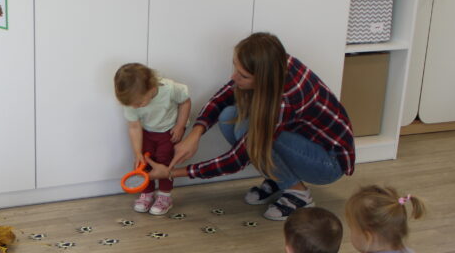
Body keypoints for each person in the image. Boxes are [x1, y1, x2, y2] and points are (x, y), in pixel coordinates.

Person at [148, 32, 355, 222]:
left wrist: (173, 173)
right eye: (235, 68)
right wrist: (195, 133)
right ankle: (281, 179)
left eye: (243, 76)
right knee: (229, 116)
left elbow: (237, 159)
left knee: (247, 131)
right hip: (302, 140)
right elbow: (224, 96)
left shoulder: (287, 99)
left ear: (263, 78)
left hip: (328, 163)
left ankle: (299, 195)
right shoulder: (274, 61)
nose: (234, 77)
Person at [114, 63, 192, 215]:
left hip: (169, 132)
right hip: (147, 132)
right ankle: (146, 193)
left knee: (164, 163)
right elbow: (134, 127)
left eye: (139, 103)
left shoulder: (170, 89)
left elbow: (185, 101)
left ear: (151, 88)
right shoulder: (131, 101)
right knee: (143, 163)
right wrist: (137, 153)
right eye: (132, 105)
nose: (135, 107)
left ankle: (164, 196)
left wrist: (180, 125)